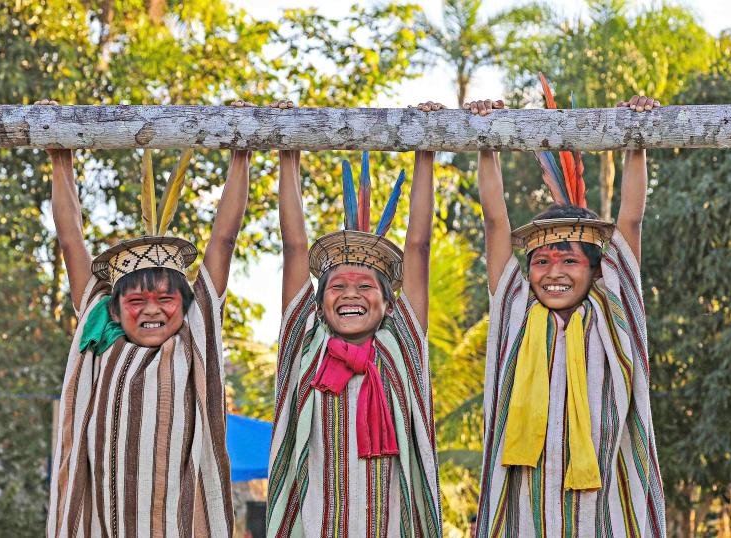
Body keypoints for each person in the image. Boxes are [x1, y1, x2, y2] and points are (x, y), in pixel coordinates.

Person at [43, 100, 254, 537]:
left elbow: (224, 239)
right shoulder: (99, 328)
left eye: (165, 298)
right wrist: (58, 153)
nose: (153, 309)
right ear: (116, 308)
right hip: (103, 522)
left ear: (186, 301)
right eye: (137, 300)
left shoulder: (196, 332)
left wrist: (242, 150)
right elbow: (71, 239)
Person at [469, 85, 667, 537]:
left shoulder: (612, 311)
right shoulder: (516, 310)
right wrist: (487, 140)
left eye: (570, 259)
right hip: (523, 516)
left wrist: (634, 137)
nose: (553, 271)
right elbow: (495, 220)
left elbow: (630, 221)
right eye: (541, 260)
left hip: (603, 516)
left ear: (597, 272)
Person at [266, 101, 445, 537]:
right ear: (318, 301)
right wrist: (287, 148)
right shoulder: (304, 346)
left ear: (388, 303)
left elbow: (418, 246)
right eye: (337, 286)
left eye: (366, 286)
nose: (350, 295)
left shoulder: (402, 342)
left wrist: (425, 149)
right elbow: (294, 246)